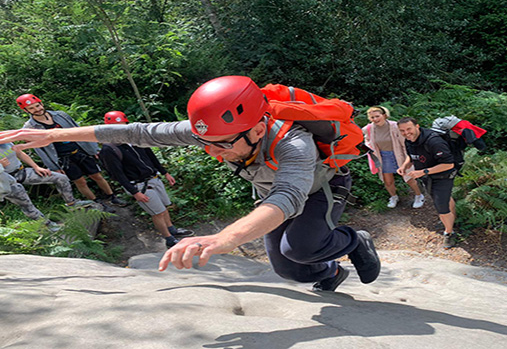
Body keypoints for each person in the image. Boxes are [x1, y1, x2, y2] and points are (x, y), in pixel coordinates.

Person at [1, 76, 381, 292]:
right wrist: (55, 136)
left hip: (319, 189)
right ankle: (330, 271)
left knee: (301, 245)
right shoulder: (216, 132)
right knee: (289, 269)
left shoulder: (294, 143)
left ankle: (354, 241)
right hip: (271, 195)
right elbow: (139, 132)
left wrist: (221, 240)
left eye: (224, 145)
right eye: (209, 143)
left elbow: (288, 196)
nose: (216, 151)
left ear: (259, 127)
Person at [100, 111, 194, 248]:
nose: (120, 129)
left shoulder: (135, 139)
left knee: (164, 207)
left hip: (153, 178)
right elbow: (117, 174)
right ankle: (169, 239)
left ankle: (172, 230)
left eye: (122, 125)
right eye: (116, 126)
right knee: (158, 212)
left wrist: (165, 172)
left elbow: (151, 156)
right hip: (139, 185)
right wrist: (134, 192)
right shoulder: (109, 149)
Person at [15, 94, 126, 211]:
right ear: (26, 110)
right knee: (80, 181)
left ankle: (112, 196)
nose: (37, 109)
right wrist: (53, 167)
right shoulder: (30, 127)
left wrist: (93, 149)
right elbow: (39, 149)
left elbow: (79, 130)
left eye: (37, 105)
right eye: (32, 108)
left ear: (41, 103)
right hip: (62, 157)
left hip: (79, 150)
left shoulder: (60, 115)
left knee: (97, 175)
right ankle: (98, 203)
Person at [396, 117, 457, 249]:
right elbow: (411, 156)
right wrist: (405, 166)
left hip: (443, 175)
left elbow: (448, 163)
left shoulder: (434, 141)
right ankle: (451, 221)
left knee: (441, 206)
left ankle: (449, 233)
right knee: (444, 198)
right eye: (402, 131)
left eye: (409, 129)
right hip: (427, 175)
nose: (406, 133)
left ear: (417, 126)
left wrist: (423, 171)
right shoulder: (409, 140)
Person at [362, 106, 425, 208]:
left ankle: (419, 195)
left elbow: (405, 142)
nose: (375, 119)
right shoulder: (369, 129)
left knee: (409, 177)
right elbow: (367, 140)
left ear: (384, 115)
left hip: (399, 154)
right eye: (372, 117)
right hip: (383, 156)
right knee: (388, 181)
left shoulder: (395, 126)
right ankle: (393, 197)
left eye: (377, 116)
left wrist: (409, 158)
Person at [0, 142, 93, 208]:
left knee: (61, 178)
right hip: (5, 179)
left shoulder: (5, 140)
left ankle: (71, 203)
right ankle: (46, 225)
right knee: (26, 204)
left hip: (21, 171)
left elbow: (19, 153)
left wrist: (36, 167)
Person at [0, 162, 60, 230]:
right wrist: (1, 165)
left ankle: (47, 224)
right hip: (5, 187)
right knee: (27, 206)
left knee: (27, 205)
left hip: (9, 186)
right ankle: (47, 225)